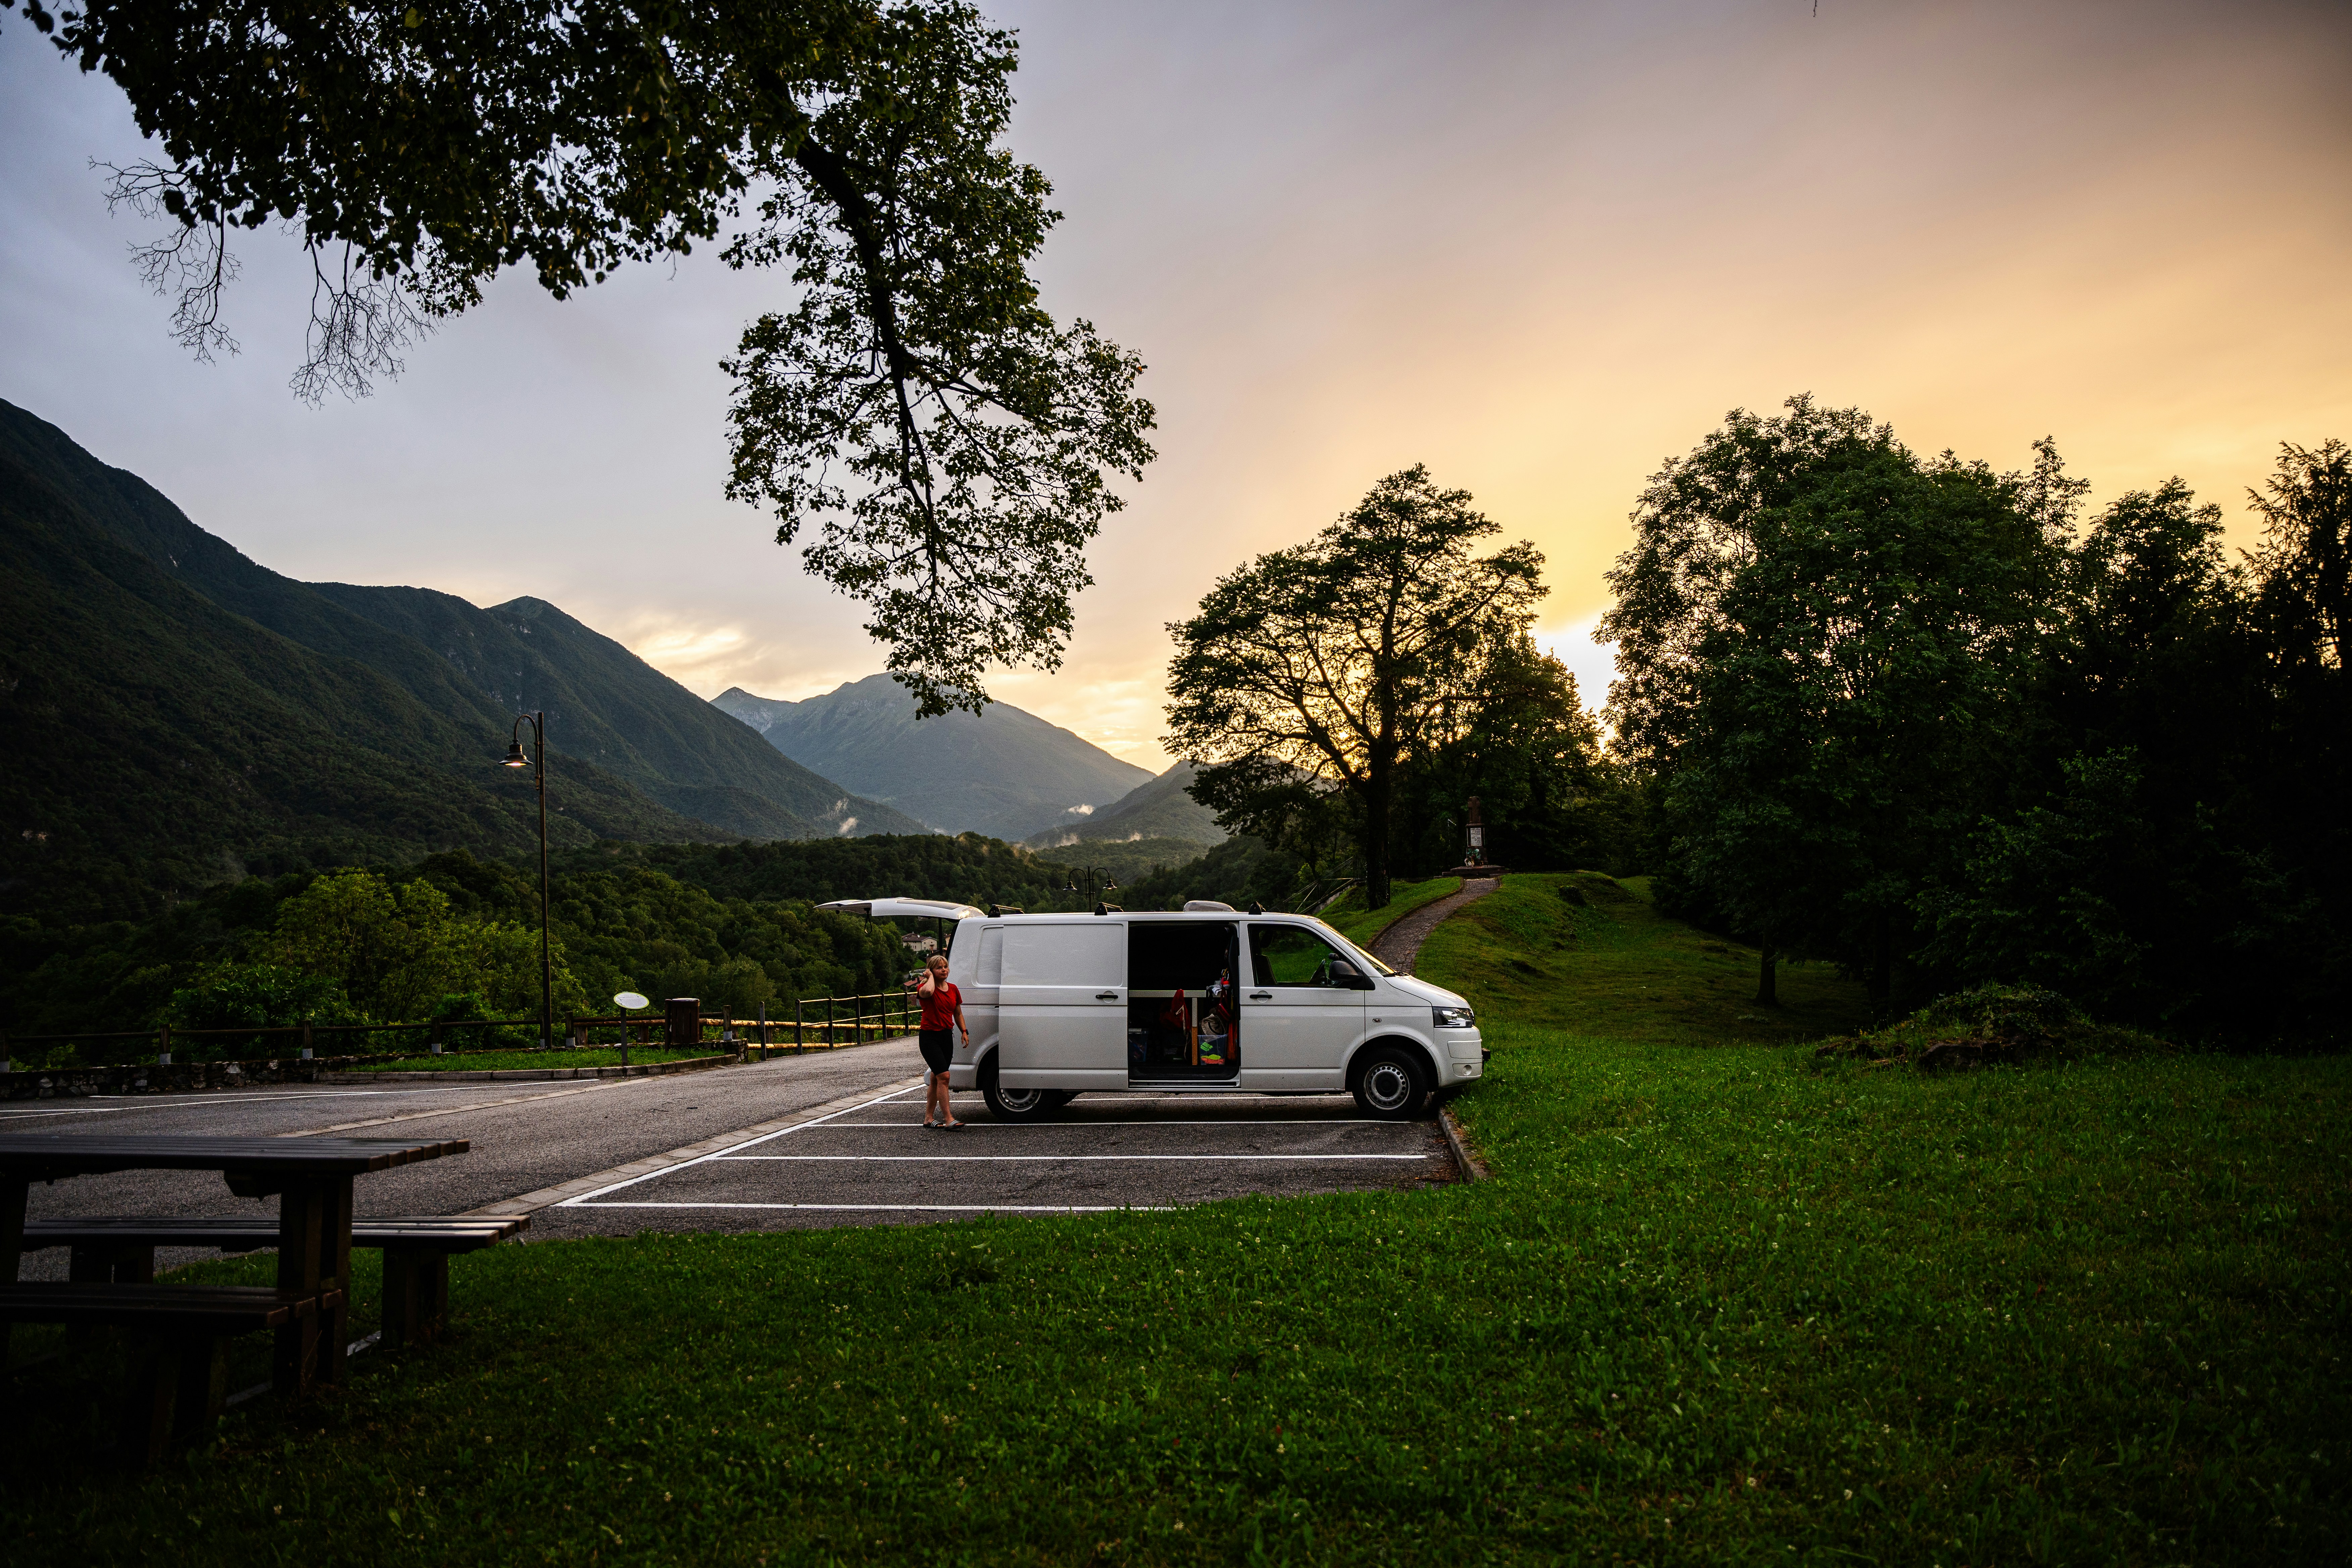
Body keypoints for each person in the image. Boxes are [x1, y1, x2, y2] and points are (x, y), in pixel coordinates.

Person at [912, 952, 970, 1129]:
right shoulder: (924, 988)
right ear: (931, 971)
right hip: (930, 1037)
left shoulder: (953, 989)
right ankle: (949, 1118)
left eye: (945, 967)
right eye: (939, 967)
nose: (944, 970)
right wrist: (929, 978)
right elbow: (929, 992)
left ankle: (928, 1118)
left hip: (947, 1036)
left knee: (937, 1078)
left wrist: (964, 1032)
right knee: (944, 1076)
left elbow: (958, 1013)